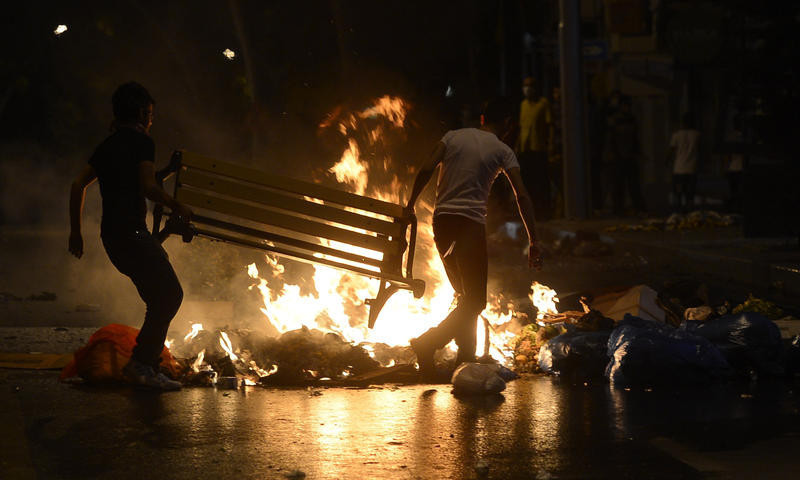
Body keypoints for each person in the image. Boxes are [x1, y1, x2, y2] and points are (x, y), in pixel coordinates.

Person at [404, 98, 543, 379]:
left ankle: (464, 358)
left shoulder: (452, 137)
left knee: (465, 296)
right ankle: (427, 343)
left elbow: (427, 168)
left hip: (442, 224)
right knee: (476, 301)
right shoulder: (504, 151)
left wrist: (409, 206)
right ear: (508, 125)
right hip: (469, 226)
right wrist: (534, 240)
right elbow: (521, 195)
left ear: (482, 119)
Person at [68, 82, 192, 391]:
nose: (151, 120)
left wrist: (76, 233)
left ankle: (144, 365)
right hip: (132, 235)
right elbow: (148, 188)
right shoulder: (141, 142)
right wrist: (177, 205)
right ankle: (141, 366)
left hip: (115, 237)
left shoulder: (108, 145)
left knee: (159, 298)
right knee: (169, 296)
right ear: (140, 113)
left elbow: (78, 185)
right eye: (149, 114)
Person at [516, 77, 554, 219]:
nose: (527, 88)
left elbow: (550, 125)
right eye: (525, 86)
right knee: (528, 182)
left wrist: (550, 144)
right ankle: (531, 213)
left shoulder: (543, 104)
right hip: (526, 150)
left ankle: (544, 212)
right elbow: (521, 128)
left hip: (539, 148)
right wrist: (517, 146)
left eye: (530, 86)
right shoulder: (523, 105)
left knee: (541, 182)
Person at [604, 95, 646, 214]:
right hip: (618, 156)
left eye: (629, 105)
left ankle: (638, 207)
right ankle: (618, 209)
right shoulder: (615, 120)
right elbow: (611, 139)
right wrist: (610, 153)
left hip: (629, 155)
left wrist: (638, 152)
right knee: (618, 185)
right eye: (625, 105)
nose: (627, 108)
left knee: (633, 184)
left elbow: (635, 138)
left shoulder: (631, 119)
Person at [668, 112, 701, 213]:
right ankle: (689, 211)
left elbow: (671, 151)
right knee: (690, 193)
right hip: (692, 168)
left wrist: (667, 162)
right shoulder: (697, 135)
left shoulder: (677, 135)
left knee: (678, 192)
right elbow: (701, 150)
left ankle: (678, 211)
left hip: (679, 168)